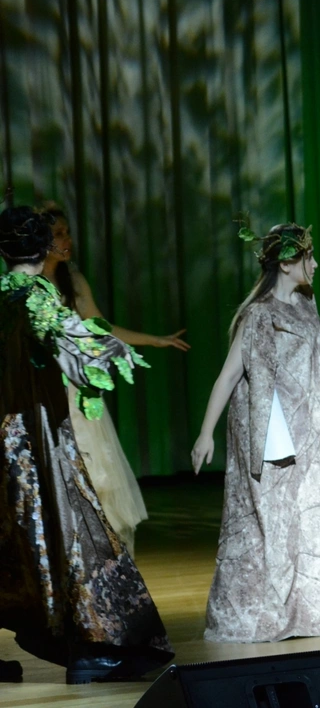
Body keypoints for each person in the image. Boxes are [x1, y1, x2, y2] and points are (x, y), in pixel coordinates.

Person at [0, 205, 173, 684]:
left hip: (7, 437)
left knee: (17, 541)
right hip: (37, 441)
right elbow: (68, 344)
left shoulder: (4, 294)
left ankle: (80, 644)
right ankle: (93, 648)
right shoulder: (35, 294)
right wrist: (105, 351)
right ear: (42, 247)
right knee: (75, 534)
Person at [191, 221, 320, 643]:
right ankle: (265, 609)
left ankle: (308, 608)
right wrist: (205, 433)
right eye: (309, 257)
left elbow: (311, 352)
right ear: (288, 263)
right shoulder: (259, 314)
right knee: (272, 519)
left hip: (306, 425)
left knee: (309, 513)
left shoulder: (306, 304)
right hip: (272, 430)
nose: (315, 264)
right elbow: (229, 375)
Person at [39, 203, 189, 556]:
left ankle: (99, 558)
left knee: (97, 474)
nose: (67, 240)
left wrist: (153, 340)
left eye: (67, 232)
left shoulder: (73, 279)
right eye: (59, 234)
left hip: (77, 388)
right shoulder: (29, 286)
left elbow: (99, 327)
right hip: (46, 388)